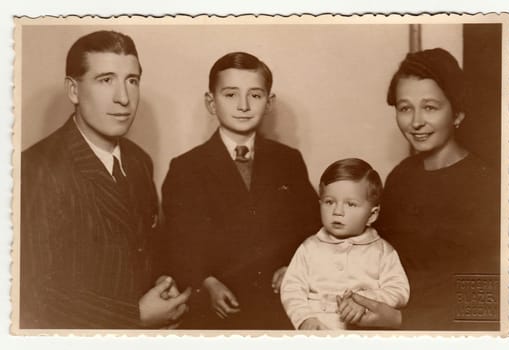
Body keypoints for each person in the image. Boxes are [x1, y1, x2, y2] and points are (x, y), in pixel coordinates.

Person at [20, 30, 191, 329]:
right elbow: (33, 296)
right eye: (106, 80)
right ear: (73, 90)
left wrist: (162, 284)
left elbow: (143, 249)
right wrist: (134, 316)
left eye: (132, 80)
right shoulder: (36, 169)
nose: (123, 98)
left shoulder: (139, 161)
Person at [161, 51, 321, 329]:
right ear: (211, 103)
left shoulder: (289, 160)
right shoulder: (185, 167)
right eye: (231, 95)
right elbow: (178, 242)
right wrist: (206, 283)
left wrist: (294, 269)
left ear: (269, 102)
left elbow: (311, 228)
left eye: (255, 95)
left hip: (279, 307)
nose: (244, 105)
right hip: (214, 313)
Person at [377, 48, 500, 330]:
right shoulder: (400, 176)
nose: (416, 122)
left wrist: (401, 319)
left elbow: (482, 302)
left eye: (430, 107)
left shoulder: (486, 185)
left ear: (457, 114)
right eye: (405, 108)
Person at [281, 158, 409, 330]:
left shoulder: (382, 251)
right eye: (329, 202)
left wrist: (366, 300)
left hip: (364, 333)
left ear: (372, 215)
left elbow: (399, 290)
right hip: (317, 330)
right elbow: (291, 288)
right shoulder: (309, 248)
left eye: (350, 204)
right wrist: (304, 318)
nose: (337, 211)